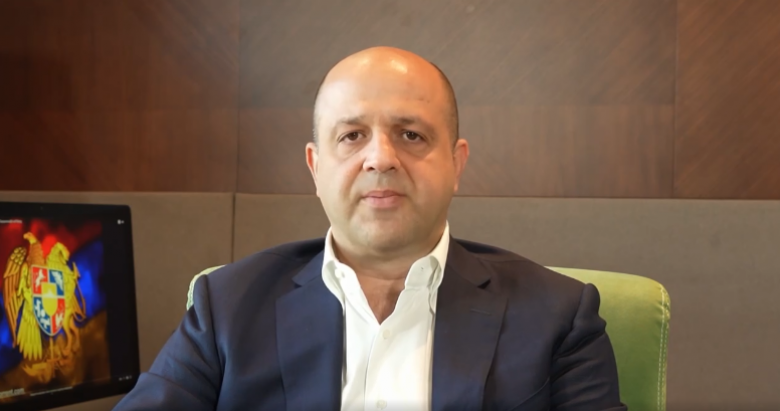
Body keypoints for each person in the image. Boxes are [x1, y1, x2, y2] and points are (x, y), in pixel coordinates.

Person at [114, 46, 626, 411]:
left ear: (456, 163)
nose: (380, 158)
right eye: (352, 136)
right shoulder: (227, 306)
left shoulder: (559, 317)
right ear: (315, 167)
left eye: (411, 134)